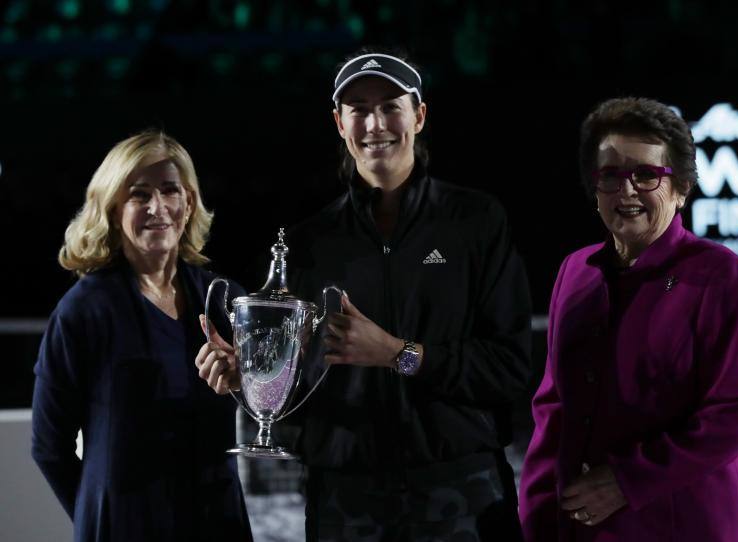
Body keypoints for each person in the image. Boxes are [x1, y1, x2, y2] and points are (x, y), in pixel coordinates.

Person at [196, 49, 533, 541]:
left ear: (418, 115)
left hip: (462, 492)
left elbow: (509, 368)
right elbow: (298, 392)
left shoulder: (475, 222)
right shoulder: (309, 243)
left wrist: (398, 355)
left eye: (391, 105)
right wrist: (247, 379)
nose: (376, 123)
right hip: (345, 501)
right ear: (339, 122)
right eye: (358, 108)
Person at [518, 97, 738, 541]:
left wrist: (626, 479)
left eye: (647, 174)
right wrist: (536, 514)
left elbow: (737, 412)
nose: (626, 190)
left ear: (682, 187)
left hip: (693, 524)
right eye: (610, 174)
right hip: (590, 528)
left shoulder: (720, 274)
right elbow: (554, 408)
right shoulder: (575, 271)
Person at [31, 131, 252, 542]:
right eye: (139, 194)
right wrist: (98, 514)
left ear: (188, 203)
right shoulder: (83, 311)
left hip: (216, 522)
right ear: (113, 209)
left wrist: (246, 380)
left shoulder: (225, 300)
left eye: (170, 191)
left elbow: (268, 412)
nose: (158, 208)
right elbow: (49, 447)